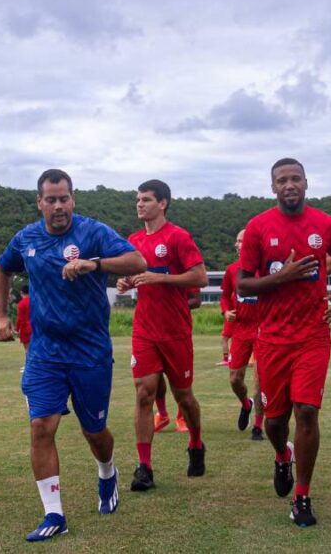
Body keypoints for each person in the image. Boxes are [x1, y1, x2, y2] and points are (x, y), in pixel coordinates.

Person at [0, 169, 146, 542]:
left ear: (73, 199)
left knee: (94, 431)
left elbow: (137, 261)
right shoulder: (26, 238)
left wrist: (95, 264)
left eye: (64, 198)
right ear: (39, 202)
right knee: (41, 426)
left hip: (89, 350)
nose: (58, 206)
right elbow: (1, 270)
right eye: (51, 199)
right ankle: (54, 514)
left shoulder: (92, 232)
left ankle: (107, 472)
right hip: (45, 352)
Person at [237, 158, 331, 527]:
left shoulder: (326, 225)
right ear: (273, 187)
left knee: (307, 411)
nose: (289, 185)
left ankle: (302, 496)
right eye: (281, 180)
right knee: (275, 421)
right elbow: (242, 284)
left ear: (306, 183)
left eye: (295, 179)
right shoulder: (258, 228)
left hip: (313, 336)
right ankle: (280, 455)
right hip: (272, 339)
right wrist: (283, 276)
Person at [117, 179, 208, 492]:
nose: (140, 204)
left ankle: (196, 443)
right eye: (138, 199)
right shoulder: (133, 240)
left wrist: (159, 278)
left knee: (184, 396)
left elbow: (200, 276)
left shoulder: (178, 237)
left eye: (146, 199)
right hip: (144, 330)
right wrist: (126, 283)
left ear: (163, 203)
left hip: (175, 332)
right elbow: (133, 276)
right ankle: (144, 467)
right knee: (144, 392)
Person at [222, 230, 264, 439]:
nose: (239, 244)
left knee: (260, 380)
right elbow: (224, 295)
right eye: (237, 240)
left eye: (243, 240)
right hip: (240, 330)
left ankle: (258, 425)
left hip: (262, 329)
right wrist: (227, 311)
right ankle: (246, 404)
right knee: (235, 379)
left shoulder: (263, 269)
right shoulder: (232, 270)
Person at [153, 288, 201, 433]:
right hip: (151, 331)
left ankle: (182, 418)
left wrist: (172, 305)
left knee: (180, 382)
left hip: (178, 333)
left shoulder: (185, 268)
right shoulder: (146, 267)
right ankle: (162, 414)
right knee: (151, 378)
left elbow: (196, 300)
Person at [15, 285, 32, 372]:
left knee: (27, 349)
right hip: (36, 327)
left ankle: (29, 366)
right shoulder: (35, 301)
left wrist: (16, 329)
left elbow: (19, 318)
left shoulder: (22, 303)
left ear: (22, 292)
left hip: (26, 328)